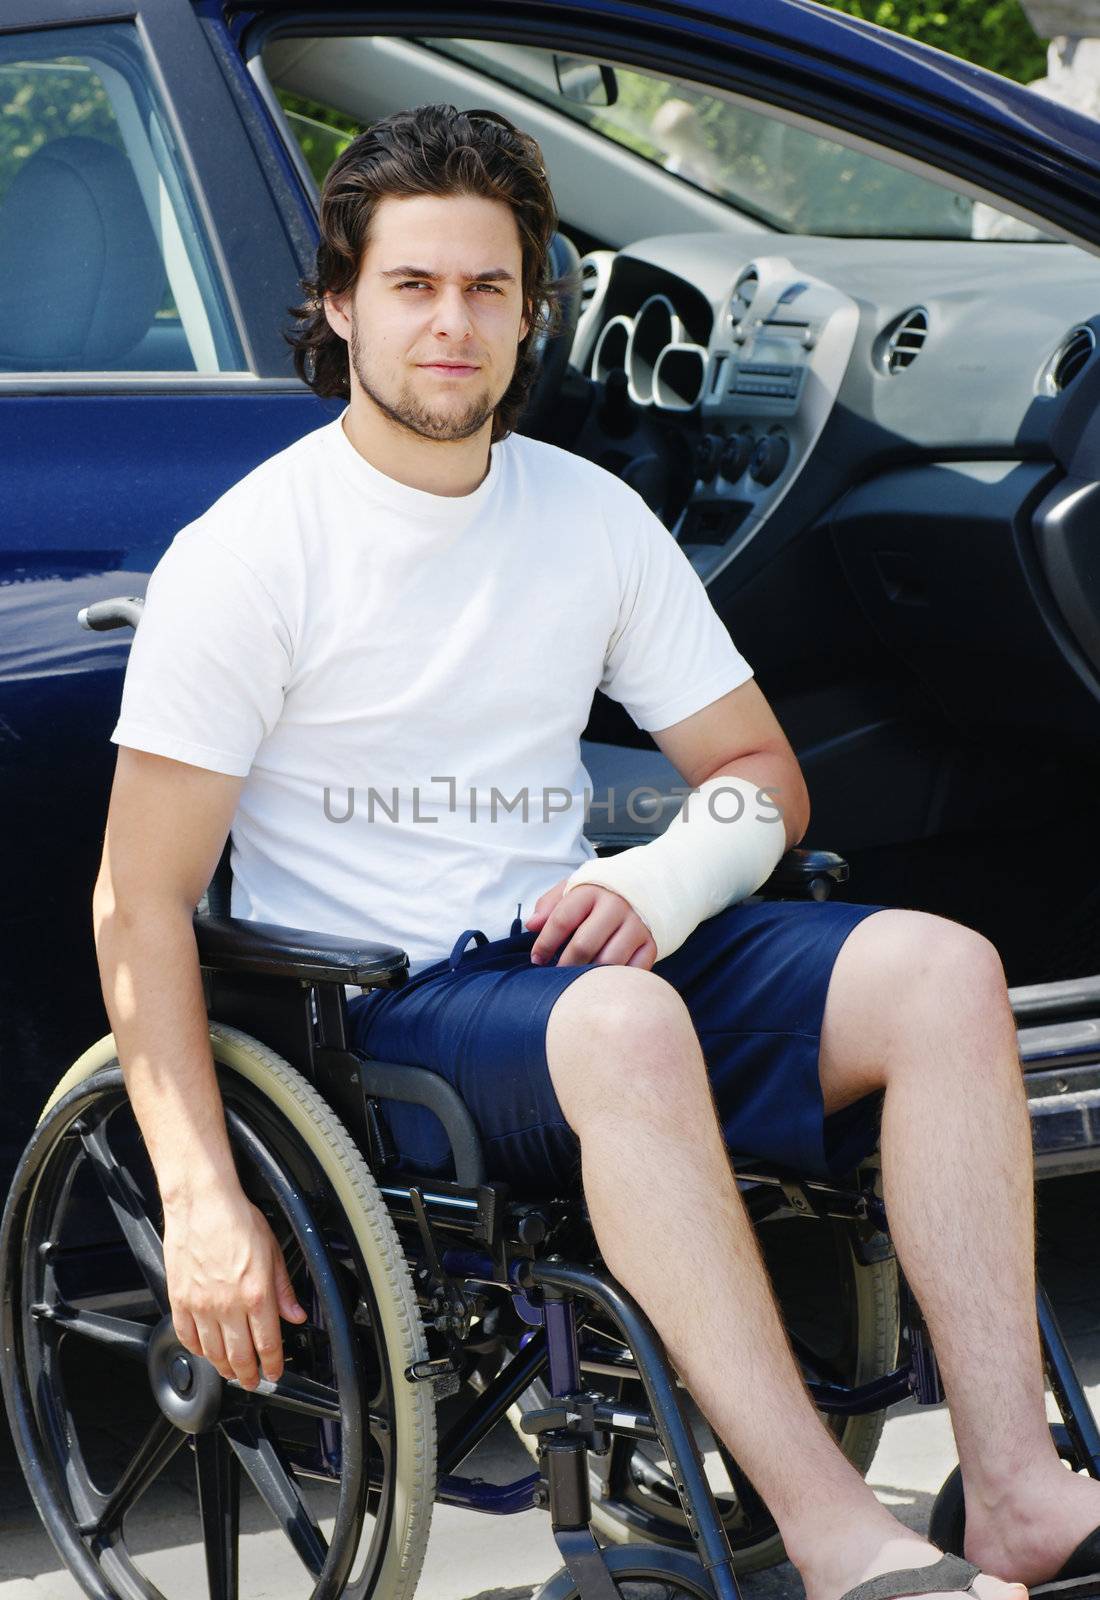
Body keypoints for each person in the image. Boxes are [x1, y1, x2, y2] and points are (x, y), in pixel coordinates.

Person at [93, 103, 1100, 1600]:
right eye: (414, 286)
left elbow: (760, 774)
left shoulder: (588, 514)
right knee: (627, 1026)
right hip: (388, 1008)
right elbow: (138, 900)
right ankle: (842, 1539)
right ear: (338, 304)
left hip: (591, 946)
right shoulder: (250, 557)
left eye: (488, 288)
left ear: (532, 310)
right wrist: (200, 1200)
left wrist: (660, 879)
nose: (454, 323)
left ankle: (1019, 1493)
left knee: (943, 970)